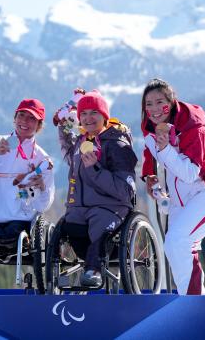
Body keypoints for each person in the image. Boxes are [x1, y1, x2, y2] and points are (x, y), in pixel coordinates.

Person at [141, 78, 205, 295]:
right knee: (174, 247)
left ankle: (192, 304)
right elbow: (149, 151)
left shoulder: (193, 128)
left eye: (159, 102)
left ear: (172, 103)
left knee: (179, 241)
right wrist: (149, 175)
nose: (154, 109)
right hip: (180, 197)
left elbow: (191, 174)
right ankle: (192, 300)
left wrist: (165, 150)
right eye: (148, 104)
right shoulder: (151, 129)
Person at [55, 90, 137, 287]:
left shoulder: (117, 144)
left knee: (99, 229)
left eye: (94, 113)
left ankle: (93, 270)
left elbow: (126, 191)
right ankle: (61, 273)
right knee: (63, 228)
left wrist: (95, 169)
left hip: (111, 207)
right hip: (80, 209)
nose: (88, 118)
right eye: (83, 113)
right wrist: (62, 125)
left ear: (104, 116)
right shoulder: (81, 144)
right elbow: (68, 151)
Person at [0, 98, 55, 246]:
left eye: (32, 118)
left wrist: (41, 187)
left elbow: (42, 206)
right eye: (21, 115)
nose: (25, 121)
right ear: (14, 118)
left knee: (10, 237)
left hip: (17, 219)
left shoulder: (42, 159)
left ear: (39, 126)